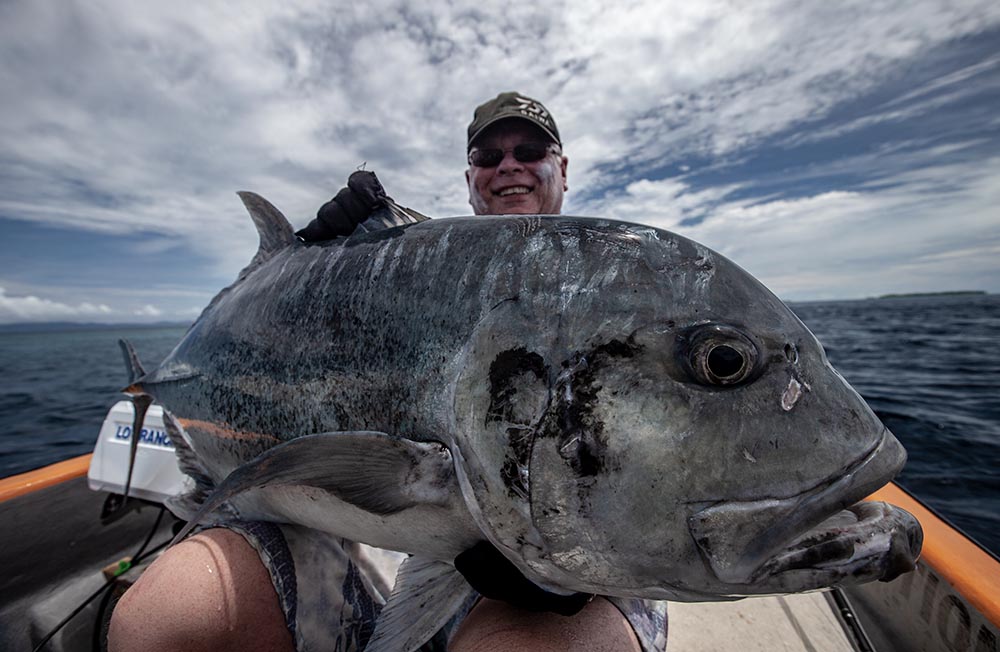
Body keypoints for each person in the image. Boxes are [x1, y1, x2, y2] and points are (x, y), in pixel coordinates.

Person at [108, 92, 666, 652]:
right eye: (488, 156)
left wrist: (592, 551)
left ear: (561, 168)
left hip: (542, 559)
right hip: (392, 534)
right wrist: (296, 273)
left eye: (529, 149)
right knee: (162, 619)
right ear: (470, 177)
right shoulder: (407, 268)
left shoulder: (634, 287)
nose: (509, 166)